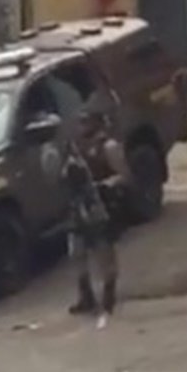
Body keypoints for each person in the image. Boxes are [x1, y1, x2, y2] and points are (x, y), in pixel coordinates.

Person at [62, 109, 130, 324]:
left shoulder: (108, 147)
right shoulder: (75, 149)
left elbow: (125, 176)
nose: (82, 127)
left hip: (100, 209)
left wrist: (105, 186)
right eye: (80, 122)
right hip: (78, 209)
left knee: (104, 255)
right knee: (77, 254)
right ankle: (86, 296)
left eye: (86, 122)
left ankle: (108, 295)